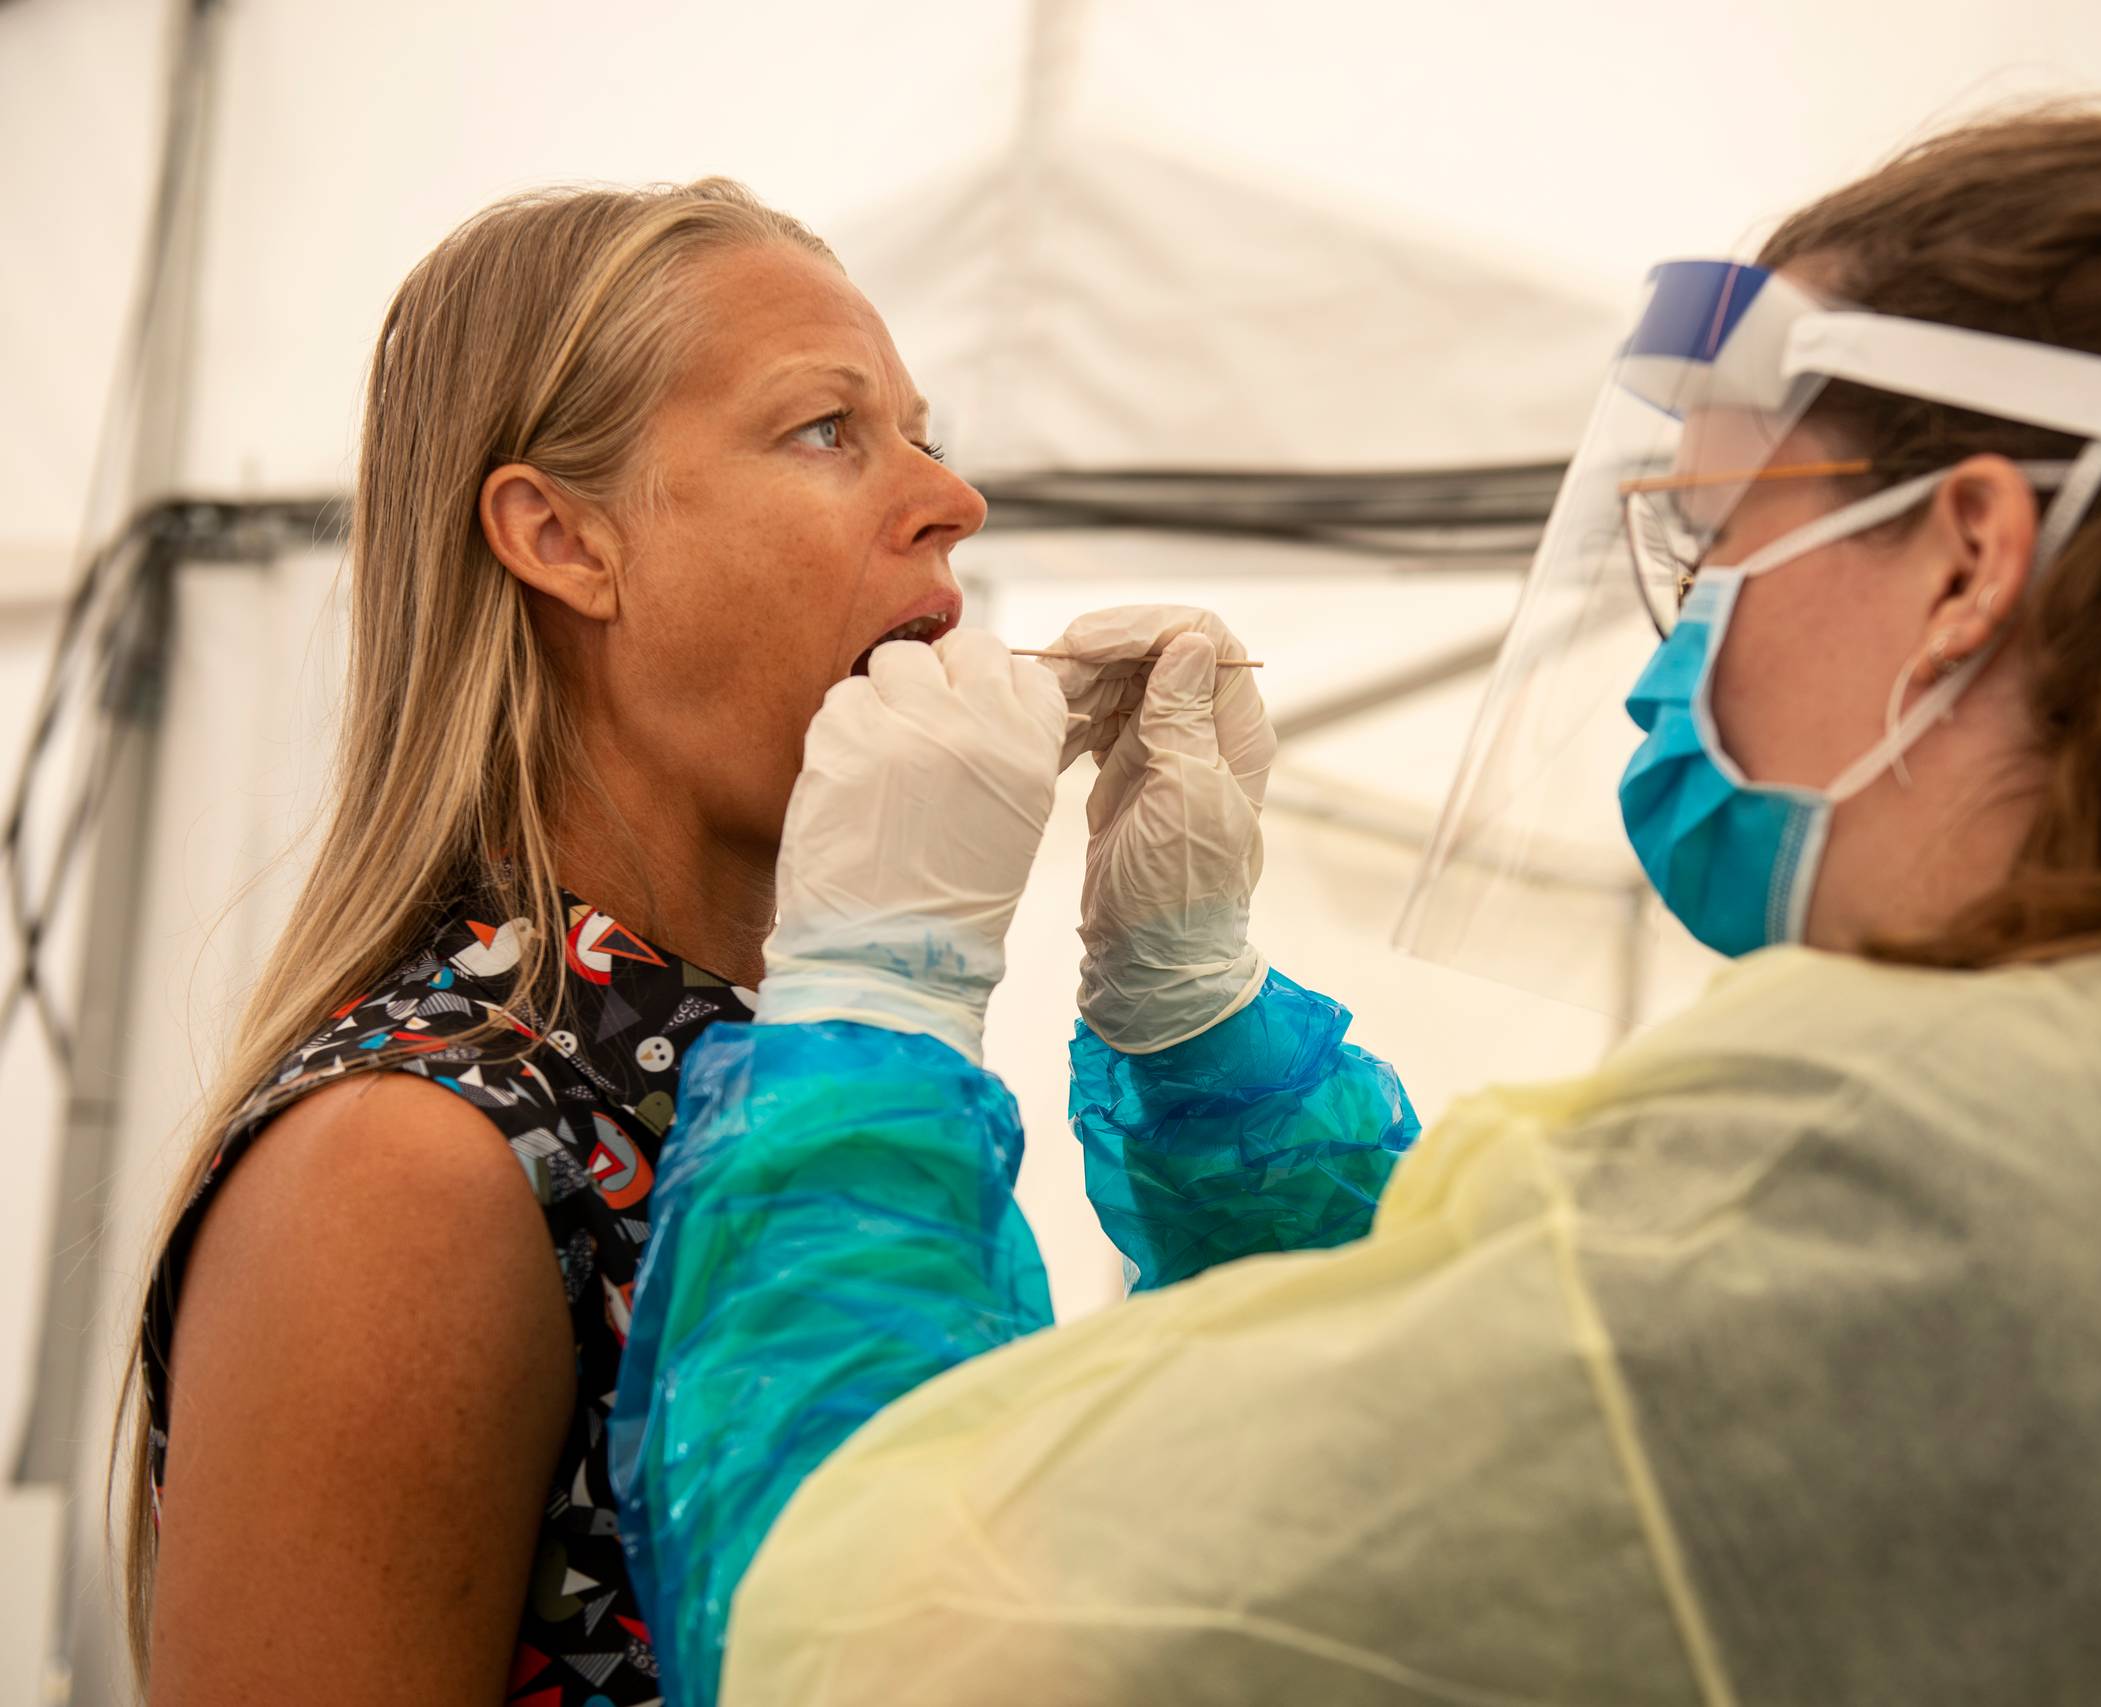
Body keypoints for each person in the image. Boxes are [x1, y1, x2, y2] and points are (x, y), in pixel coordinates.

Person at [613, 99, 2101, 1704]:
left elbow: (856, 1630)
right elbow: (1423, 1412)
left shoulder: (1874, 1161)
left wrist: (869, 1011)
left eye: (1715, 547)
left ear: (1968, 557)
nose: (1676, 648)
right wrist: (1195, 1029)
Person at [117, 177, 1403, 1704]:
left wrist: (1196, 1016)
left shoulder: (789, 1090)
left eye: (928, 435)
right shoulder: (407, 1164)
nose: (951, 499)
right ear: (562, 541)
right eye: (827, 431)